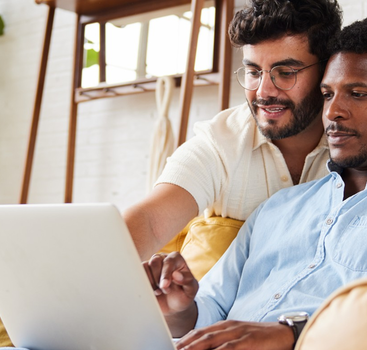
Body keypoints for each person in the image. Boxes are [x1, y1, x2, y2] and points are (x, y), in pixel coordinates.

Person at [0, 18, 367, 350]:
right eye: (331, 94)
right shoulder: (280, 209)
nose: (335, 112)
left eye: (358, 95)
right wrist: (180, 307)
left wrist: (295, 333)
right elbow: (208, 311)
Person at [124, 0, 341, 259]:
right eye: (253, 72)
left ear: (328, 71)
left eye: (285, 72)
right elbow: (150, 221)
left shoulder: (355, 142)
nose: (263, 92)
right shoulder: (219, 143)